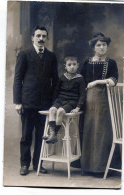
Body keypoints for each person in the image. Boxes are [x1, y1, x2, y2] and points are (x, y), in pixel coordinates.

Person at [13, 25, 58, 175]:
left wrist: (53, 102)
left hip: (45, 103)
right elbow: (18, 79)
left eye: (44, 36)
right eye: (38, 35)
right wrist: (18, 102)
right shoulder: (24, 54)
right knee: (26, 135)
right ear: (32, 37)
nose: (41, 39)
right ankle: (24, 164)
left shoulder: (51, 56)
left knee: (41, 135)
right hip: (28, 101)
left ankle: (38, 163)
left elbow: (56, 81)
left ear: (47, 38)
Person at [80, 32, 119, 176]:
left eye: (104, 45)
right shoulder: (87, 62)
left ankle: (102, 168)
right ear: (93, 47)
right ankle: (87, 167)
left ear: (107, 46)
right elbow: (81, 81)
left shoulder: (111, 62)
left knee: (103, 132)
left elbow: (114, 80)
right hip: (89, 100)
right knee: (89, 130)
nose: (101, 47)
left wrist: (97, 82)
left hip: (104, 100)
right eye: (98, 45)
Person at [43, 56, 85, 144]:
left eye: (74, 64)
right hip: (60, 99)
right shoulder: (62, 77)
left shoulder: (80, 78)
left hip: (71, 101)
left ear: (78, 65)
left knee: (60, 111)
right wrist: (54, 103)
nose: (72, 67)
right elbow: (56, 91)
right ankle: (52, 133)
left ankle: (54, 134)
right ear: (65, 66)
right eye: (69, 65)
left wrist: (78, 107)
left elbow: (82, 94)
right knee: (52, 110)